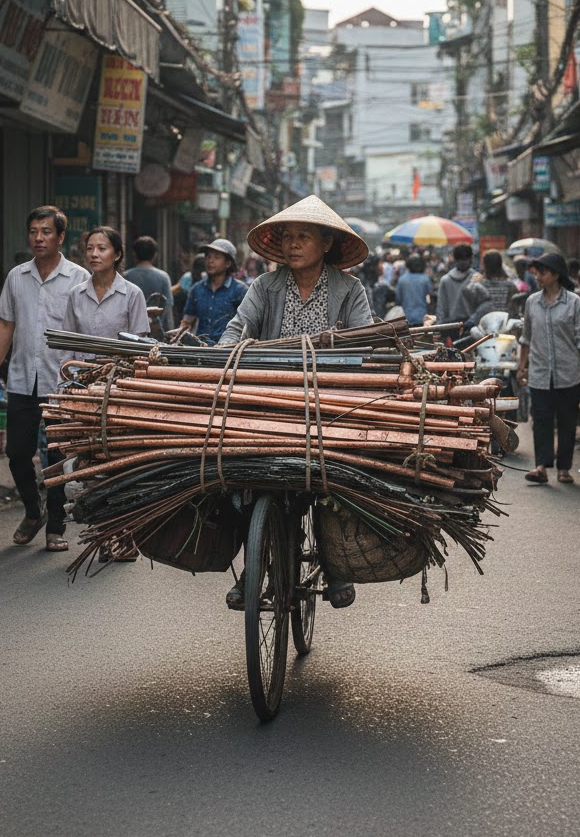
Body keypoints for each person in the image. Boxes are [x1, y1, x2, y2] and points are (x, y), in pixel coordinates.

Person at [219, 195, 373, 610]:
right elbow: (238, 327)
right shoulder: (265, 286)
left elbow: (367, 340)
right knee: (241, 476)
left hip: (330, 403)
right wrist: (224, 357)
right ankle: (255, 564)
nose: (293, 244)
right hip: (269, 398)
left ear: (326, 244)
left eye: (304, 236)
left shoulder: (349, 288)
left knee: (335, 478)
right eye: (287, 237)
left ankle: (333, 558)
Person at [0, 206, 89, 552]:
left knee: (56, 457)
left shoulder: (78, 279)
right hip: (21, 379)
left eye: (46, 232)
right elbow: (6, 325)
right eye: (33, 231)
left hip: (61, 382)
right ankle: (33, 510)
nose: (38, 238)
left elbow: (85, 331)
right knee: (17, 453)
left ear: (61, 237)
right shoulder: (17, 276)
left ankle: (55, 526)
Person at [63, 226, 150, 561]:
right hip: (84, 390)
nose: (94, 254)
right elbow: (67, 345)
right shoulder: (75, 294)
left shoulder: (132, 294)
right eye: (90, 248)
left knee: (119, 463)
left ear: (117, 254)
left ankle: (125, 537)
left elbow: (139, 348)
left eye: (102, 248)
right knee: (91, 463)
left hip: (120, 390)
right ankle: (103, 534)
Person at [516, 252, 580, 485]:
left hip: (569, 373)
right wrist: (522, 366)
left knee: (567, 422)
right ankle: (541, 466)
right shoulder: (532, 302)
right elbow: (526, 337)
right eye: (536, 272)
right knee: (541, 419)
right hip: (540, 373)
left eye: (542, 272)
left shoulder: (574, 303)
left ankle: (564, 468)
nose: (537, 276)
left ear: (556, 275)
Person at [178, 239, 248, 343]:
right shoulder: (197, 289)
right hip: (201, 348)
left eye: (216, 257)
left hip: (228, 350)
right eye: (208, 257)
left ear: (228, 263)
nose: (210, 261)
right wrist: (180, 333)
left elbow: (246, 325)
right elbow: (187, 321)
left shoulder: (240, 290)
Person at [123, 235, 175, 334]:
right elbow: (168, 311)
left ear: (134, 254)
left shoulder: (126, 276)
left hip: (131, 335)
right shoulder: (163, 277)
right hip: (157, 336)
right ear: (154, 255)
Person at [462, 249, 519, 326]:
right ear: (500, 264)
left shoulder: (478, 285)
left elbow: (471, 308)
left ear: (484, 265)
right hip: (504, 326)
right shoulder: (510, 285)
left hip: (483, 327)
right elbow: (514, 310)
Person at [436, 243, 478, 326]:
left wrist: (439, 327)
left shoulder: (445, 280)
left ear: (454, 258)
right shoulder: (477, 278)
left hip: (451, 326)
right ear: (471, 258)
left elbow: (441, 308)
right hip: (472, 326)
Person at [394, 252, 433, 325]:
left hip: (405, 317)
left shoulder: (402, 280)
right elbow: (431, 296)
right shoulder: (425, 279)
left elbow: (398, 299)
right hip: (422, 317)